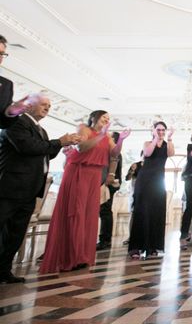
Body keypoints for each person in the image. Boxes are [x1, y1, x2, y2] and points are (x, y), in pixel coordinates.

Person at [0, 95, 79, 284]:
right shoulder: (15, 122)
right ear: (29, 106)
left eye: (49, 105)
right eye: (44, 104)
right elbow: (27, 147)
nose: (48, 108)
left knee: (16, 232)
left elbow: (46, 153)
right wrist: (59, 141)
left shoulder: (41, 130)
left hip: (30, 188)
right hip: (11, 187)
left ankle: (3, 269)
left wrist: (62, 144)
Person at [40, 110, 130, 273]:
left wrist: (121, 140)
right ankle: (69, 257)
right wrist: (100, 135)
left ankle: (81, 256)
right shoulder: (83, 128)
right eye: (104, 117)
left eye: (108, 118)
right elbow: (81, 148)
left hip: (95, 176)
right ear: (94, 118)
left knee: (88, 215)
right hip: (78, 171)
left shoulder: (107, 136)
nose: (107, 120)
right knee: (76, 211)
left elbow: (114, 154)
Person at [128, 121, 175, 259]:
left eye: (163, 130)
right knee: (142, 211)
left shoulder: (167, 144)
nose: (161, 132)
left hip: (159, 181)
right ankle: (136, 247)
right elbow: (148, 154)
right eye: (158, 130)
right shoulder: (147, 143)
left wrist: (170, 138)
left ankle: (152, 246)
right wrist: (155, 138)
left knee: (156, 212)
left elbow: (171, 153)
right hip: (145, 180)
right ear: (153, 130)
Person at [96, 131, 122, 251]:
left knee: (105, 211)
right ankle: (104, 239)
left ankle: (105, 240)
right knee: (104, 211)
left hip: (108, 184)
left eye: (109, 137)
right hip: (105, 184)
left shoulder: (114, 154)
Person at [0, 35, 31, 129]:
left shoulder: (6, 85)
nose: (0, 57)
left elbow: (3, 124)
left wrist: (11, 112)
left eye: (2, 54)